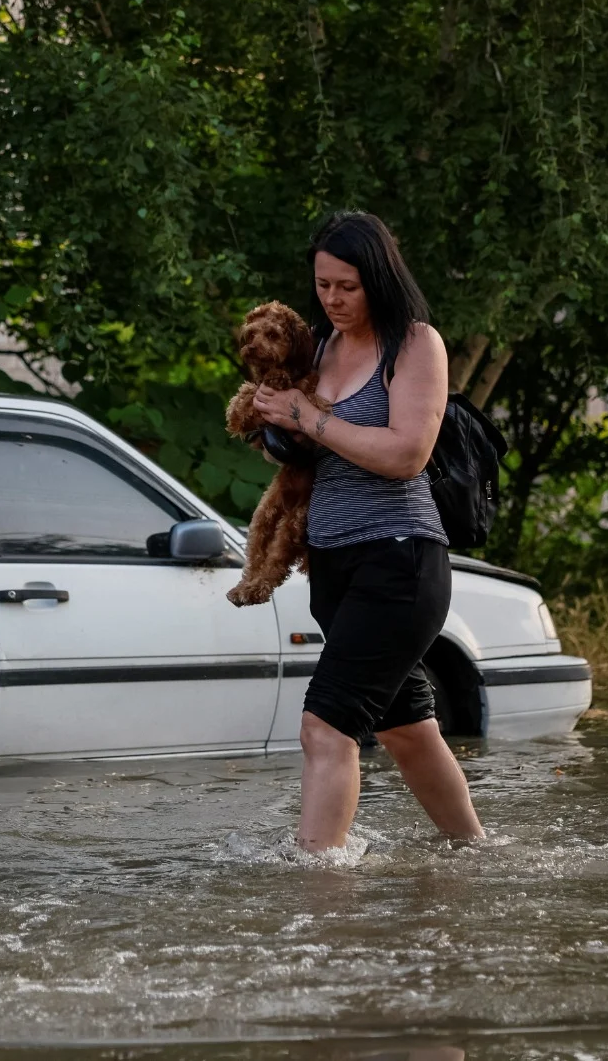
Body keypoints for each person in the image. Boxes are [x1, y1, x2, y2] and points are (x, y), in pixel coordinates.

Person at [248, 211, 484, 852]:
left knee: (325, 728)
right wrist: (279, 425)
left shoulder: (415, 344)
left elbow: (406, 452)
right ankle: (475, 856)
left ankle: (319, 892)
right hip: (333, 567)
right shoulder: (321, 348)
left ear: (378, 277)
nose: (331, 299)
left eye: (346, 286)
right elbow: (311, 453)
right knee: (408, 730)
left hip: (400, 563)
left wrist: (309, 417)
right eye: (322, 285)